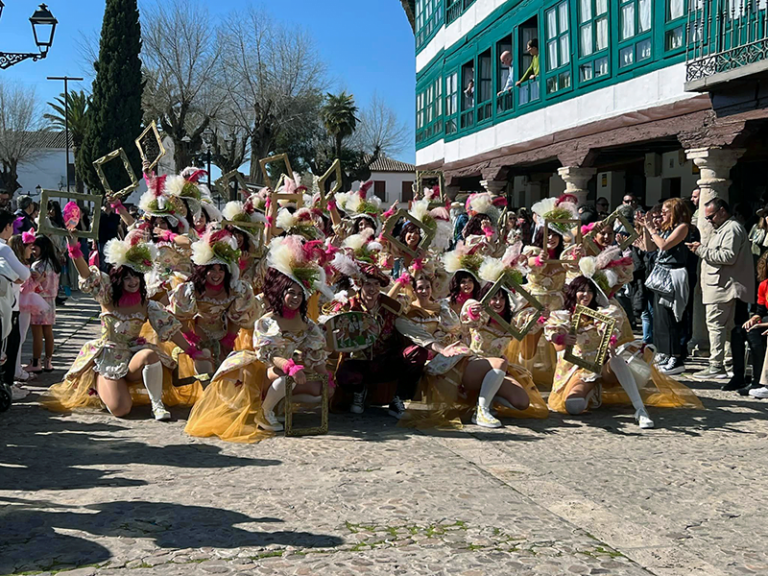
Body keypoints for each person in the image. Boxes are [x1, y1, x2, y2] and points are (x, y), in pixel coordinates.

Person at [45, 230, 204, 420]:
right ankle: (99, 383)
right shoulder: (106, 294)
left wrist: (193, 352)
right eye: (127, 277)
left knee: (150, 354)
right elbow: (87, 274)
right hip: (109, 359)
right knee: (121, 410)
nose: (133, 281)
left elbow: (169, 328)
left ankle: (157, 405)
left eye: (136, 276)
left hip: (133, 356)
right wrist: (74, 250)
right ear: (119, 278)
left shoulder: (146, 303)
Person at [687, 198, 756, 381]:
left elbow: (728, 256)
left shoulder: (732, 228)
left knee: (716, 326)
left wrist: (701, 250)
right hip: (721, 286)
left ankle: (716, 365)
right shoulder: (725, 228)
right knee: (724, 328)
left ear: (722, 211)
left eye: (711, 216)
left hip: (723, 287)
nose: (708, 220)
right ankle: (727, 363)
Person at [639, 198, 693, 375]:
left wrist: (653, 229)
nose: (662, 214)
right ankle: (665, 352)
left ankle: (676, 357)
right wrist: (646, 229)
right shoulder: (665, 229)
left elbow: (664, 244)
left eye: (665, 210)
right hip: (661, 276)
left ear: (675, 211)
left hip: (674, 274)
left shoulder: (682, 227)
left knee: (671, 317)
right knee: (660, 317)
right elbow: (650, 248)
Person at [0, 211, 31, 397]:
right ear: (6, 227)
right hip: (7, 305)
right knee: (9, 344)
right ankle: (7, 385)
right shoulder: (4, 249)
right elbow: (25, 274)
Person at [26, 235, 62, 373]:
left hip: (38, 300)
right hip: (51, 301)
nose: (33, 250)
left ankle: (36, 362)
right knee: (48, 333)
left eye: (35, 247)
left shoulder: (38, 265)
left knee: (37, 333)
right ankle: (48, 361)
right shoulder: (54, 264)